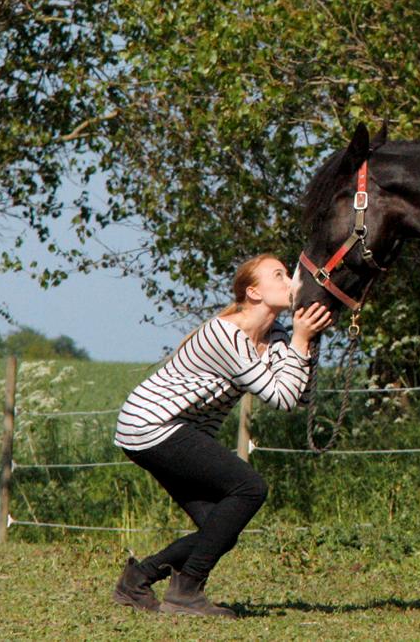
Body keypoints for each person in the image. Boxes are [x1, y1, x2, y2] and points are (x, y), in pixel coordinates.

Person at [110, 253, 332, 618]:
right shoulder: (224, 334)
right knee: (250, 488)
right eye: (278, 275)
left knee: (219, 529)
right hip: (151, 425)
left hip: (172, 430)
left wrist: (308, 342)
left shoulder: (277, 335)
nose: (290, 281)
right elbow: (280, 396)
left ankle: (137, 580)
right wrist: (301, 339)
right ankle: (185, 591)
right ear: (253, 292)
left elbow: (297, 397)